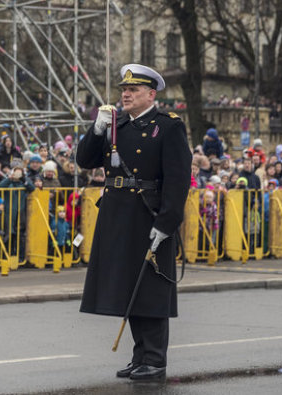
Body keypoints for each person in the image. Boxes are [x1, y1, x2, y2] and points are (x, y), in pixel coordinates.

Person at [76, 64, 191, 381]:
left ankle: (154, 358)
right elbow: (85, 160)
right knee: (131, 286)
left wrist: (167, 222)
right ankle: (140, 355)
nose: (125, 94)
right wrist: (97, 129)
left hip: (148, 214)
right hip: (118, 214)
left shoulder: (168, 127)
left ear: (151, 94)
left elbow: (178, 180)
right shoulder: (116, 124)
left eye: (133, 90)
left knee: (150, 286)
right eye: (123, 90)